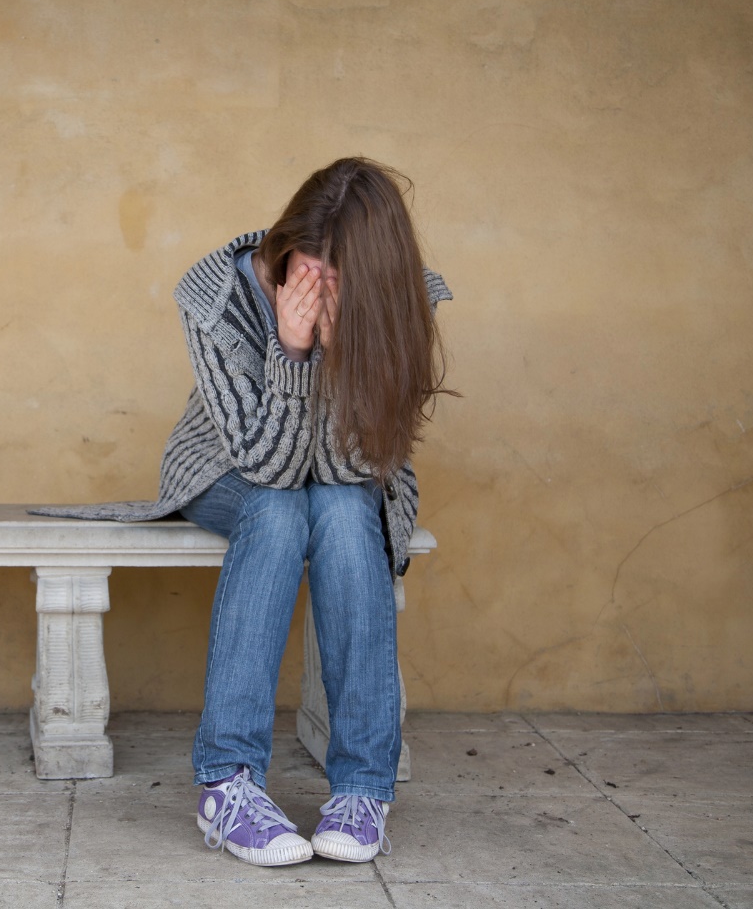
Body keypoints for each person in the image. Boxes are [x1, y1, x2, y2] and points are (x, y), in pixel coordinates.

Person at [35, 156, 452, 867]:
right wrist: (291, 352)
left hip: (345, 481)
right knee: (281, 510)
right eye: (302, 270)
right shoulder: (213, 293)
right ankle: (228, 782)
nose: (312, 290)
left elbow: (357, 464)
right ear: (283, 248)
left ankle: (361, 788)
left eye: (337, 282)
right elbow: (267, 466)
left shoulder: (404, 300)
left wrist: (343, 349)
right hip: (223, 471)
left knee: (348, 512)